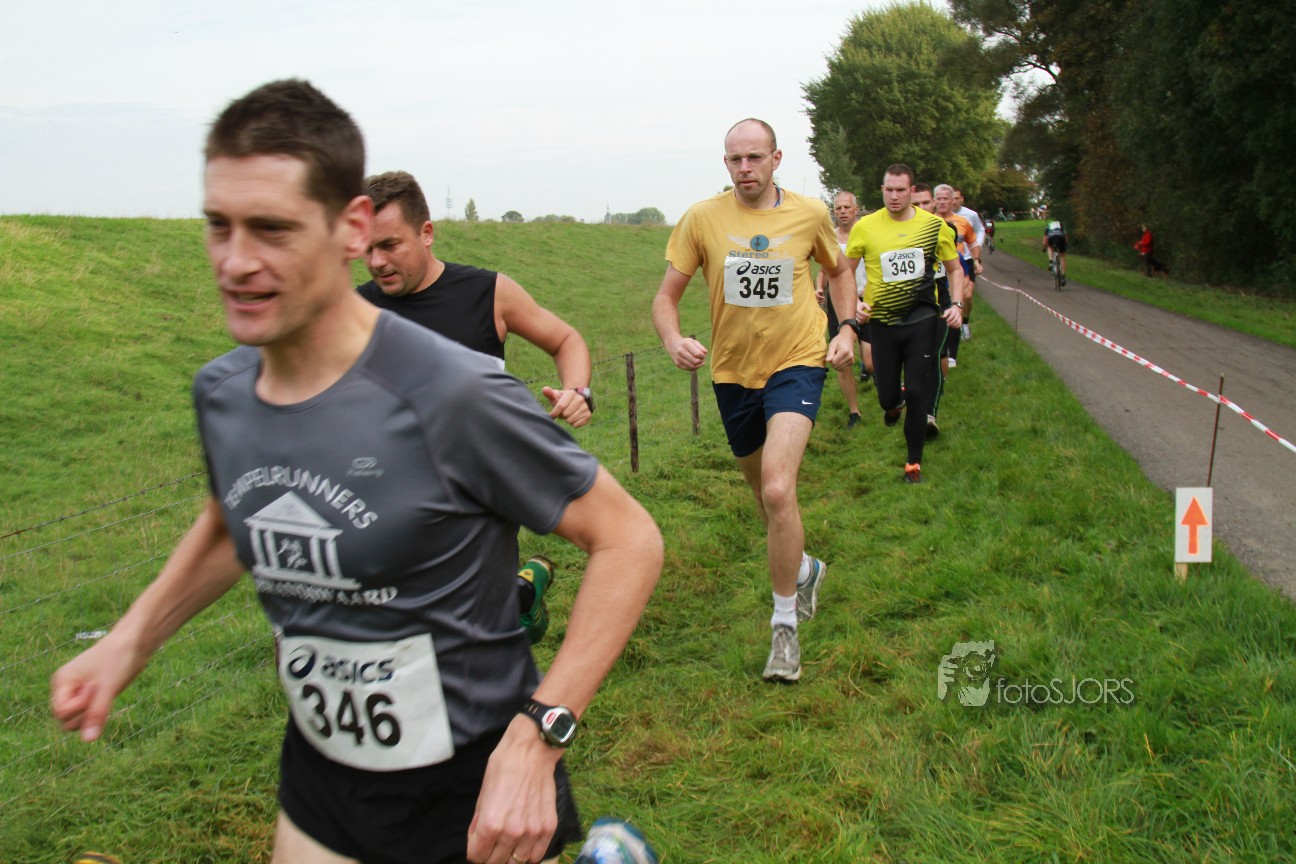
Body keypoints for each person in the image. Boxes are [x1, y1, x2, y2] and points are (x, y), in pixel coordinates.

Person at [50, 79, 663, 864]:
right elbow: (235, 521)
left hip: (472, 790)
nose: (236, 261)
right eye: (219, 226)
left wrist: (539, 734)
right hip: (322, 776)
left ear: (350, 228)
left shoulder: (453, 392)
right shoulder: (224, 391)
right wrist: (128, 642)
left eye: (272, 229)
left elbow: (628, 539)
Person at [652, 118, 858, 683]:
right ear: (726, 164)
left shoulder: (810, 214)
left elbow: (840, 272)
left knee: (777, 487)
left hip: (797, 361)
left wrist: (847, 329)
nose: (745, 168)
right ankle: (804, 567)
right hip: (732, 373)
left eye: (755, 158)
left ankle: (784, 628)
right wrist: (672, 339)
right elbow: (666, 297)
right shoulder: (702, 218)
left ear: (776, 159)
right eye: (735, 159)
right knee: (766, 501)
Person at [359, 170, 594, 643]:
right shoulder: (354, 312)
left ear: (426, 233)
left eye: (389, 245)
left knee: (482, 636)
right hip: (388, 508)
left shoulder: (487, 293)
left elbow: (565, 339)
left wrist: (577, 391)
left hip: (480, 504)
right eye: (366, 249)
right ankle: (521, 593)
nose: (377, 262)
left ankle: (519, 597)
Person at [845, 165, 964, 484]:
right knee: (886, 397)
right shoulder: (865, 227)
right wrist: (855, 304)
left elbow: (955, 268)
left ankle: (913, 462)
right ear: (881, 190)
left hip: (922, 319)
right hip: (883, 322)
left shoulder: (934, 226)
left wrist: (956, 304)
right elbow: (844, 272)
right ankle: (893, 403)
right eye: (889, 190)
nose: (894, 196)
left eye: (900, 190)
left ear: (912, 191)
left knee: (916, 390)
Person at [815, 189, 871, 429]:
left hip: (867, 300)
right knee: (841, 358)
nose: (843, 212)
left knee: (870, 360)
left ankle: (870, 370)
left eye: (847, 207)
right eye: (838, 208)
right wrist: (819, 288)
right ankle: (854, 411)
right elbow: (824, 269)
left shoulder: (868, 233)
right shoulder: (829, 237)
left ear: (856, 209)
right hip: (838, 303)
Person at [912, 183, 958, 437]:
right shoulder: (898, 231)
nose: (921, 208)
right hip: (908, 301)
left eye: (925, 203)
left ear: (934, 204)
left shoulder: (945, 229)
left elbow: (954, 266)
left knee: (934, 354)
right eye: (916, 204)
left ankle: (930, 413)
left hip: (938, 299)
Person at [950, 187, 984, 342]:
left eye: (957, 198)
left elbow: (980, 230)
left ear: (962, 199)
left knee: (967, 296)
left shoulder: (970, 215)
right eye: (951, 198)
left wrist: (977, 250)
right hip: (949, 261)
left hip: (967, 259)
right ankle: (952, 327)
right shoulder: (939, 216)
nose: (954, 202)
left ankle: (965, 323)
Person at [1043, 219, 1068, 285]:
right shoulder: (1061, 225)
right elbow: (1066, 236)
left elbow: (1045, 239)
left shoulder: (1048, 226)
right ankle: (1063, 277)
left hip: (1051, 237)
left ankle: (1051, 261)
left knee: (1049, 247)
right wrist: (1066, 244)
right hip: (1061, 237)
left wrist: (1044, 247)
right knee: (1062, 257)